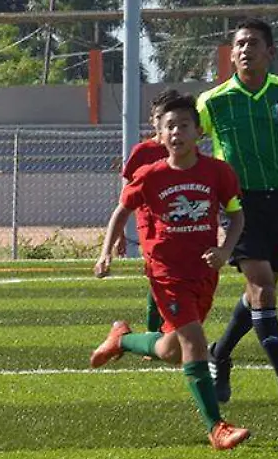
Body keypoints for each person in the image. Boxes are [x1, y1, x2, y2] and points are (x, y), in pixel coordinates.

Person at [91, 93, 250, 451]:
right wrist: (106, 254)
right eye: (170, 127)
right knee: (194, 342)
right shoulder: (150, 175)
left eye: (184, 125)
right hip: (166, 273)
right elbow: (121, 211)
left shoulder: (218, 172)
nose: (177, 132)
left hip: (204, 273)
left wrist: (225, 250)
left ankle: (123, 339)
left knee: (170, 350)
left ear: (198, 133)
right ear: (159, 136)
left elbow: (237, 215)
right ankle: (217, 427)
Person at [198, 17, 278, 413]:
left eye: (253, 43)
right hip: (237, 206)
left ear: (270, 52)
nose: (244, 50)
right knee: (263, 289)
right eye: (238, 44)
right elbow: (182, 140)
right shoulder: (213, 101)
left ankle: (219, 354)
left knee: (260, 291)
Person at [116, 89, 185, 337]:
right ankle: (154, 333)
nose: (162, 123)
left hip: (181, 223)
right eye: (158, 117)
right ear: (152, 120)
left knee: (179, 277)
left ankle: (171, 330)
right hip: (151, 226)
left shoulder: (183, 147)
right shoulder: (143, 152)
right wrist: (121, 233)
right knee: (159, 277)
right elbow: (126, 193)